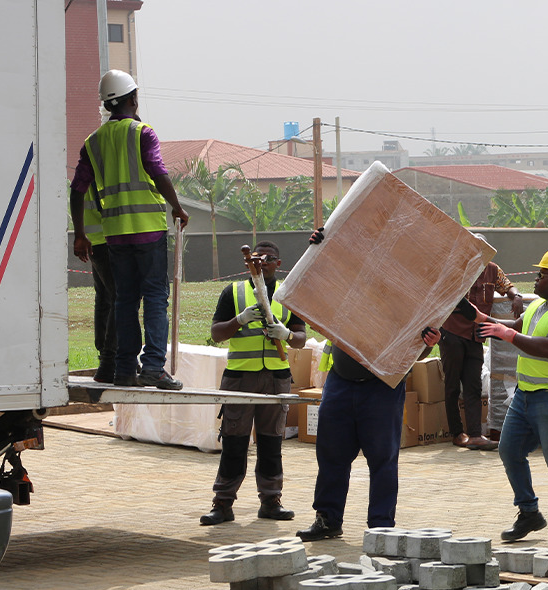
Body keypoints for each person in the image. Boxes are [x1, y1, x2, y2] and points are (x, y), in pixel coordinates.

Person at [298, 229, 439, 541]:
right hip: (341, 381)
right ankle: (328, 519)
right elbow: (312, 292)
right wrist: (319, 251)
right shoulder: (348, 284)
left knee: (382, 458)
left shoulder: (410, 297)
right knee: (331, 454)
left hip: (382, 388)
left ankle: (380, 526)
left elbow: (418, 348)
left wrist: (429, 343)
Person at [69, 69, 189, 390]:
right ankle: (152, 368)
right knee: (154, 297)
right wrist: (176, 206)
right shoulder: (142, 133)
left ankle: (124, 370)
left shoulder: (92, 143)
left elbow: (77, 190)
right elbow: (158, 171)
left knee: (123, 300)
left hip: (115, 234)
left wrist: (80, 233)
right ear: (133, 99)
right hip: (148, 230)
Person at [477, 248, 548, 541]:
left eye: (542, 274)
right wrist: (489, 323)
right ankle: (529, 513)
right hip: (527, 394)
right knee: (509, 450)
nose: (536, 278)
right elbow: (519, 325)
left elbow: (547, 347)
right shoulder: (540, 306)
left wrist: (508, 335)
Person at [199, 241, 308, 526]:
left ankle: (271, 500)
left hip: (276, 378)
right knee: (234, 441)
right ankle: (222, 503)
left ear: (278, 263)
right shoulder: (233, 293)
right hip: (240, 378)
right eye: (257, 258)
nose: (262, 262)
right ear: (249, 263)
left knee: (272, 441)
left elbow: (300, 338)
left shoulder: (288, 296)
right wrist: (239, 319)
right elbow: (216, 334)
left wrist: (285, 335)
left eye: (269, 258)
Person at [440, 233, 523, 450]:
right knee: (452, 386)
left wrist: (516, 296)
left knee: (473, 385)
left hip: (476, 335)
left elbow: (506, 285)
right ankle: (458, 433)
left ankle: (475, 435)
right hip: (452, 332)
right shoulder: (457, 268)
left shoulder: (492, 269)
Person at [72, 185, 118, 383]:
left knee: (105, 299)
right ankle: (110, 359)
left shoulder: (86, 170)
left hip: (95, 240)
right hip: (108, 239)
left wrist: (80, 234)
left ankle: (105, 354)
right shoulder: (101, 166)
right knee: (120, 298)